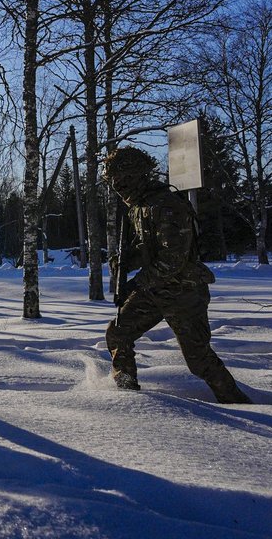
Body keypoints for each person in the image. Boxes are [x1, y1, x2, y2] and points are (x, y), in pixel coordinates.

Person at [104, 146, 251, 403]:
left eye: (121, 179)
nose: (117, 187)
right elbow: (149, 248)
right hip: (155, 289)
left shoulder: (167, 205)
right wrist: (127, 260)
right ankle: (127, 395)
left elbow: (173, 258)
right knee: (118, 333)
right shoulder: (139, 206)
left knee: (199, 359)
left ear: (136, 176)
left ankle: (238, 403)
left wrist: (136, 282)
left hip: (183, 291)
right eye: (113, 181)